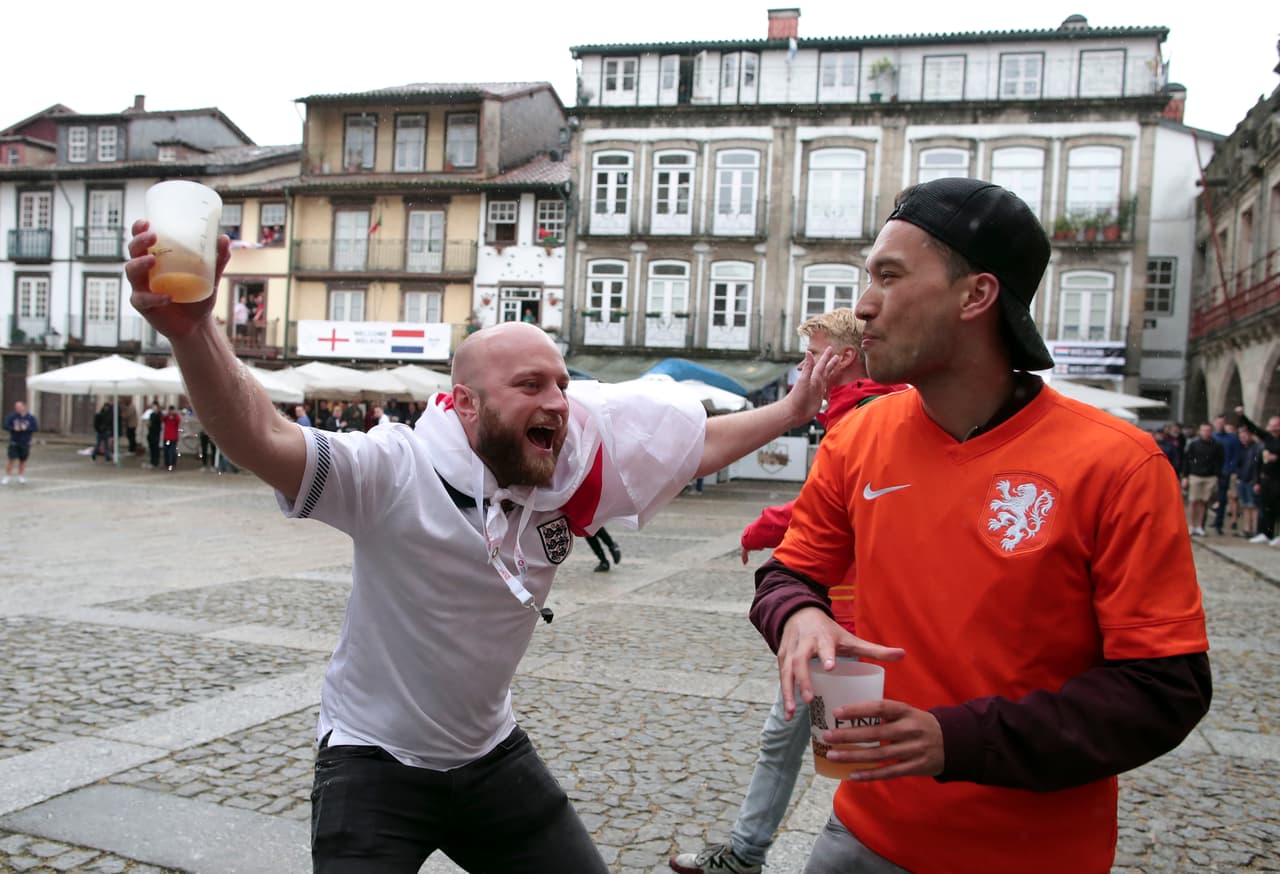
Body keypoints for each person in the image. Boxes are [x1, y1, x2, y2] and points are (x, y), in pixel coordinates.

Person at [124, 217, 836, 874]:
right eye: (530, 385)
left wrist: (793, 410)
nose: (558, 401)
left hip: (490, 755)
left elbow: (696, 444)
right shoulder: (394, 471)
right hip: (374, 757)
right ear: (466, 404)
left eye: (561, 383)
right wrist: (193, 333)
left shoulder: (574, 461)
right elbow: (263, 437)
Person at [749, 178, 1210, 874]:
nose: (861, 305)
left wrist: (951, 739)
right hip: (860, 834)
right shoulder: (858, 437)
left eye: (889, 277)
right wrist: (797, 618)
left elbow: (1163, 689)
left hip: (1033, 854)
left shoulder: (1118, 463)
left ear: (976, 296)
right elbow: (788, 572)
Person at [671, 309, 905, 874]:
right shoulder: (855, 411)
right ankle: (747, 853)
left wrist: (759, 528)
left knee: (852, 759)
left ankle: (829, 856)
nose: (803, 366)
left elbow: (823, 506)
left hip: (850, 625)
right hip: (821, 618)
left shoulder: (869, 418)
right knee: (793, 742)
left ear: (841, 359)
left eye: (811, 355)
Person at [1238, 408, 1280, 545]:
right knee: (1266, 507)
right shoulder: (1268, 438)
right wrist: (1242, 416)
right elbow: (1254, 429)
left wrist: (1277, 458)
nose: (1273, 428)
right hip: (1266, 479)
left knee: (1278, 508)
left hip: (1278, 479)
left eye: (1276, 426)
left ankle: (1277, 535)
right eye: (1272, 425)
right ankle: (1265, 533)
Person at [1181, 423, 1223, 536]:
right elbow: (1187, 460)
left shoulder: (1216, 445)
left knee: (1203, 502)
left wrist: (1217, 476)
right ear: (1200, 431)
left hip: (1209, 476)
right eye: (1204, 430)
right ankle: (1190, 525)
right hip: (1195, 475)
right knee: (1193, 501)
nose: (1206, 433)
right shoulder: (1194, 445)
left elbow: (1219, 462)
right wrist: (1185, 476)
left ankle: (1199, 525)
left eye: (1208, 430)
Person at [1210, 415, 1241, 535]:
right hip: (1211, 472)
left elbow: (1235, 456)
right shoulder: (1212, 437)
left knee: (1222, 499)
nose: (1220, 425)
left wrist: (1229, 468)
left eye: (1222, 422)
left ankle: (1219, 523)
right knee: (1208, 498)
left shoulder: (1232, 439)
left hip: (1224, 472)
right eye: (1218, 422)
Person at [3, 400, 38, 485]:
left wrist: (26, 428)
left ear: (24, 407)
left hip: (25, 442)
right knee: (11, 459)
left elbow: (35, 428)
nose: (17, 409)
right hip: (14, 441)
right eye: (16, 407)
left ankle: (21, 476)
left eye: (19, 407)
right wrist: (13, 428)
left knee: (23, 460)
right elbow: (5, 426)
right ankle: (7, 476)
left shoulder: (30, 417)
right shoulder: (12, 416)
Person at [1237, 426, 1262, 538]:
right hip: (1243, 479)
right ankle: (1246, 528)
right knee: (1246, 505)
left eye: (1244, 435)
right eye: (1241, 436)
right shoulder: (1242, 448)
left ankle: (1254, 529)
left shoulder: (1256, 448)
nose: (1242, 438)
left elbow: (1256, 466)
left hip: (1251, 480)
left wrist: (1256, 480)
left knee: (1254, 506)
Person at [161, 405, 182, 471]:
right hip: (166, 437)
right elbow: (162, 419)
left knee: (172, 452)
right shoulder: (166, 417)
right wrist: (167, 415)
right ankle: (166, 464)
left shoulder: (176, 417)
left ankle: (172, 464)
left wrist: (174, 416)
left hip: (173, 438)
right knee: (166, 451)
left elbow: (178, 421)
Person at [145, 401, 163, 468]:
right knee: (152, 448)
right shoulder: (151, 414)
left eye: (155, 407)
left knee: (156, 448)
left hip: (156, 434)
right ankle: (152, 461)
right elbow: (149, 423)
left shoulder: (159, 415)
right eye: (153, 407)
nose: (154, 408)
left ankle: (156, 462)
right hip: (151, 433)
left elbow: (159, 423)